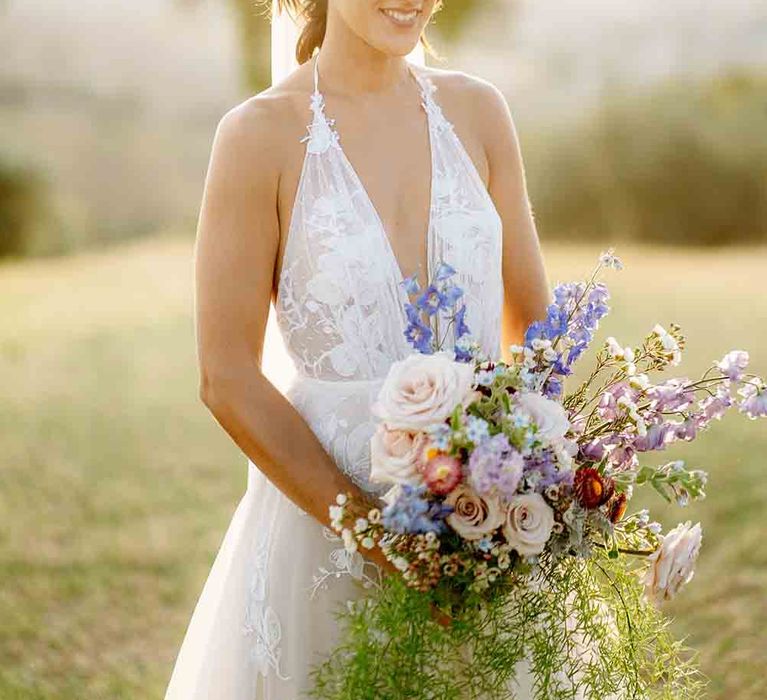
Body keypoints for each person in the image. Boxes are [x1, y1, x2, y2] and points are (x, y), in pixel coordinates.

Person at [165, 1, 550, 697]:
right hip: (325, 539)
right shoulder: (258, 135)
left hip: (484, 535)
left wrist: (518, 480)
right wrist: (383, 537)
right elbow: (226, 376)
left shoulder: (480, 112)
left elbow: (539, 332)